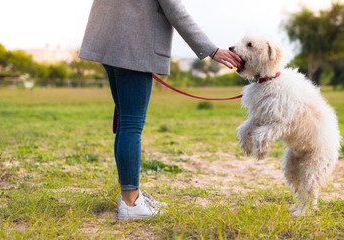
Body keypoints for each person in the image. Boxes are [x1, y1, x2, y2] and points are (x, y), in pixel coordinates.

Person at [79, 0, 241, 220]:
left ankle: (130, 194)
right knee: (131, 124)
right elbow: (175, 10)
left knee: (126, 121)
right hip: (134, 47)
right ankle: (130, 202)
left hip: (109, 42)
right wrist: (211, 50)